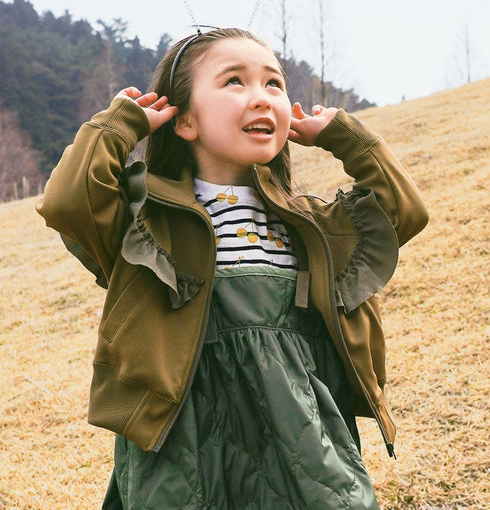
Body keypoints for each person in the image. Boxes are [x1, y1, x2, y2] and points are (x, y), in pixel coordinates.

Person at [36, 27, 428, 509]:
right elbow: (69, 202)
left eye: (274, 84)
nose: (262, 98)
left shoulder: (313, 227)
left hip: (304, 445)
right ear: (184, 122)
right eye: (235, 82)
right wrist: (120, 126)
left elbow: (402, 211)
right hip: (184, 447)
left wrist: (345, 138)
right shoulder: (147, 222)